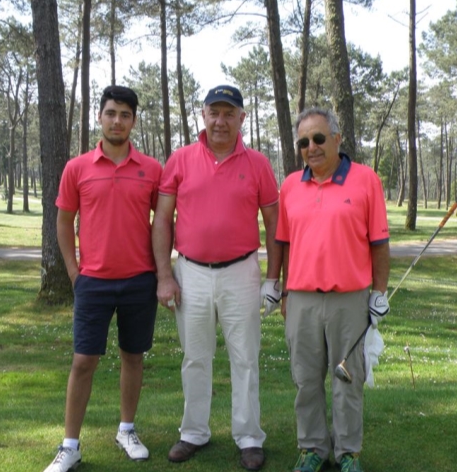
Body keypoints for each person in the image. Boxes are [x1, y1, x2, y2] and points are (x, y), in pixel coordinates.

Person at [152, 84, 282, 471]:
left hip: (241, 270)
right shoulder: (180, 159)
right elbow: (162, 220)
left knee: (245, 357)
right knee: (195, 357)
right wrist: (164, 275)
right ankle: (194, 432)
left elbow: (273, 223)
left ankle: (249, 437)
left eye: (229, 113)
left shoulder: (257, 163)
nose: (221, 121)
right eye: (214, 112)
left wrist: (273, 279)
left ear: (242, 118)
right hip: (189, 271)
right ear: (203, 116)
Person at [44, 85, 162, 472]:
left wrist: (162, 272)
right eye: (111, 113)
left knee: (133, 356)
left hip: (139, 280)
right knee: (83, 361)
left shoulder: (151, 169)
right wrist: (75, 273)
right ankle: (70, 445)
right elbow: (63, 222)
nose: (117, 121)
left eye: (125, 115)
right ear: (100, 116)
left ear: (133, 121)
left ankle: (126, 429)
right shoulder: (77, 168)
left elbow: (163, 224)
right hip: (92, 282)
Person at [276, 108, 390, 472]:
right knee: (306, 379)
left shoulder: (365, 179)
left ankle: (347, 453)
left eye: (319, 138)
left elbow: (379, 243)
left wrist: (380, 292)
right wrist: (278, 288)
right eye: (304, 141)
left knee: (347, 378)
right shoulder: (291, 186)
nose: (312, 147)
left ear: (337, 139)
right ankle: (312, 448)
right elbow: (283, 241)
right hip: (302, 299)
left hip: (349, 300)